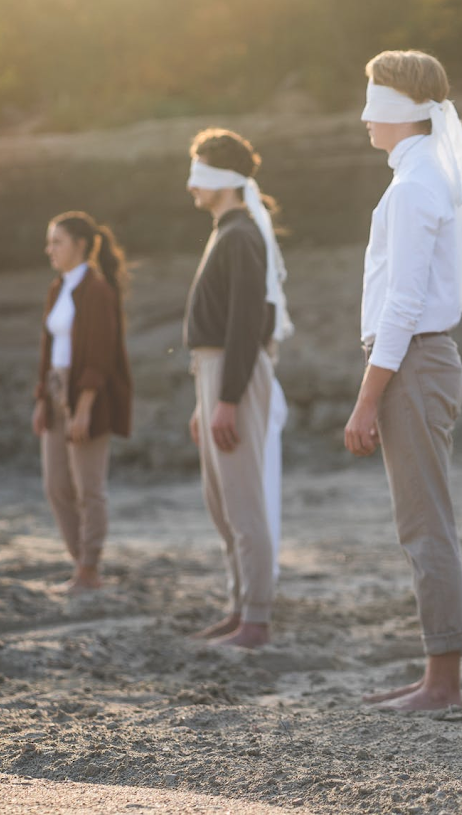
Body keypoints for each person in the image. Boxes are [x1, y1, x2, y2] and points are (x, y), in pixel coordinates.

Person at [343, 49, 462, 712]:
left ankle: (442, 682)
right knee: (423, 520)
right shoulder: (424, 174)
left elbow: (401, 306)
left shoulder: (413, 186)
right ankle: (436, 669)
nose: (365, 117)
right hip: (419, 360)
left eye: (373, 101)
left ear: (398, 109)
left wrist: (366, 400)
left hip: (413, 364)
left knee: (425, 523)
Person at [184, 129, 294, 649]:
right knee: (221, 497)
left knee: (244, 496)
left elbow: (247, 324)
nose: (191, 185)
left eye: (199, 171)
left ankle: (256, 616)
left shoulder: (241, 235)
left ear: (222, 180)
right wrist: (202, 401)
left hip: (236, 374)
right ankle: (237, 605)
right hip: (215, 375)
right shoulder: (226, 231)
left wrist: (226, 399)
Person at [32, 211, 133, 596]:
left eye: (57, 242)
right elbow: (48, 348)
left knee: (89, 487)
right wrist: (42, 398)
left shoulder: (98, 291)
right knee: (56, 485)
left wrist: (86, 405)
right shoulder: (58, 288)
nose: (50, 249)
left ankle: (89, 570)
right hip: (57, 391)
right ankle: (80, 563)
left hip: (87, 395)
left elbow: (101, 354)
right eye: (50, 242)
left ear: (79, 245)